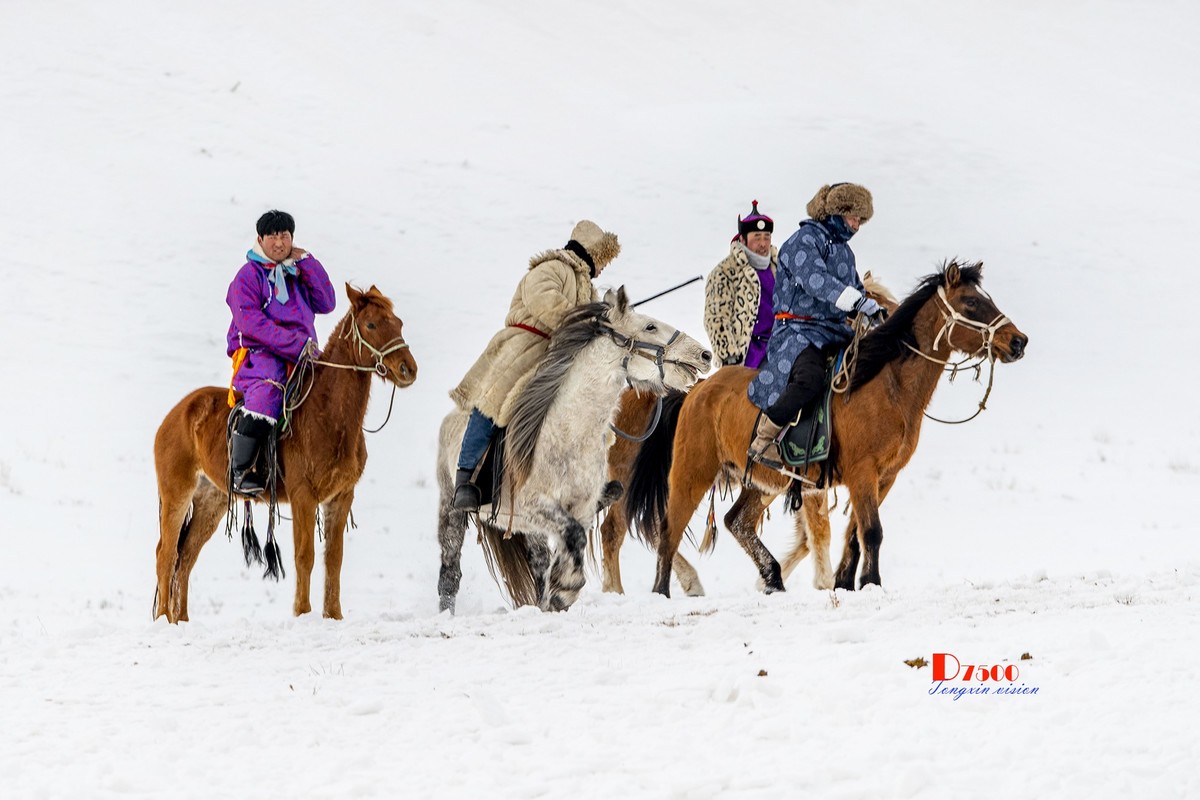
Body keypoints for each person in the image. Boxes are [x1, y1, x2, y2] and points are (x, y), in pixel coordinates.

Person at [449, 220, 621, 510]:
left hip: (556, 356)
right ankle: (464, 480)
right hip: (523, 347)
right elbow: (543, 299)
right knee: (492, 404)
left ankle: (589, 482)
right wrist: (581, 320)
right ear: (592, 252)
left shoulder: (587, 288)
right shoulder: (552, 267)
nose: (604, 268)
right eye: (603, 260)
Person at [746, 183, 882, 466]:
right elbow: (815, 280)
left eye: (860, 220)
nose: (856, 226)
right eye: (853, 218)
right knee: (810, 380)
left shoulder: (846, 253)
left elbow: (855, 289)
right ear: (836, 212)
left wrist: (875, 313)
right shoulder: (804, 240)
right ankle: (764, 438)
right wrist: (857, 302)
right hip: (797, 332)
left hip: (834, 332)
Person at [226, 209, 336, 495]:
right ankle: (240, 470)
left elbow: (327, 303)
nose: (279, 243)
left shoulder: (297, 272)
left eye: (284, 236)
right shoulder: (248, 276)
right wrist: (293, 344)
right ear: (260, 239)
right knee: (268, 390)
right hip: (260, 352)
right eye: (272, 236)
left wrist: (308, 262)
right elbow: (251, 323)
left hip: (303, 354)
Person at [703, 200, 778, 368]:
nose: (763, 243)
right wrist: (729, 355)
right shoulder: (724, 272)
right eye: (757, 237)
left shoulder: (780, 268)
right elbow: (716, 317)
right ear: (743, 239)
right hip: (747, 354)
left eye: (766, 237)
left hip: (780, 347)